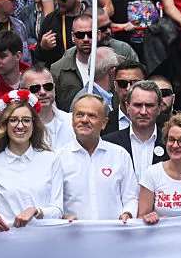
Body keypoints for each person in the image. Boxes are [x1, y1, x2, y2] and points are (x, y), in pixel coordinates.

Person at [0, 92, 63, 231]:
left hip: (45, 240)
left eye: (26, 120)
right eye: (13, 120)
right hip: (7, 242)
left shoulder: (51, 160)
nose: (20, 126)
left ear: (33, 124)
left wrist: (36, 211)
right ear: (5, 125)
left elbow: (58, 210)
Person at [58, 94, 138, 222]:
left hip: (114, 237)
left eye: (92, 116)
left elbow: (131, 197)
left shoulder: (120, 155)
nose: (84, 120)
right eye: (79, 115)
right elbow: (53, 203)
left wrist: (128, 213)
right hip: (72, 237)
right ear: (72, 120)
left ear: (104, 123)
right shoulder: (58, 158)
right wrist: (61, 217)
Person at [103, 80, 167, 180]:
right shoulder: (108, 143)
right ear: (127, 107)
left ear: (159, 108)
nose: (143, 112)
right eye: (138, 105)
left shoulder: (171, 144)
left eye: (149, 105)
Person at [20, 64, 74, 150]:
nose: (42, 92)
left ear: (54, 88)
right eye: (35, 88)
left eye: (48, 86)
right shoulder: (17, 127)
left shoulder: (72, 121)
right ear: (22, 92)